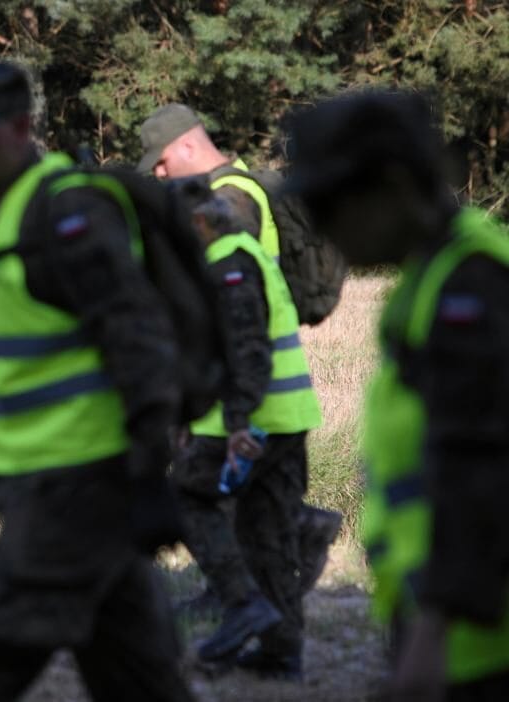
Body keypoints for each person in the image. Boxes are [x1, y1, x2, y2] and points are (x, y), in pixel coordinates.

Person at [0, 60, 192, 702]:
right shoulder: (6, 216)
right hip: (48, 490)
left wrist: (150, 479)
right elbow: (17, 379)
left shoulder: (65, 215)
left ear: (21, 126)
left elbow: (139, 340)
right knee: (139, 680)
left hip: (75, 496)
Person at [286, 91, 509, 702]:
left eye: (330, 206)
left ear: (390, 186)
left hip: (477, 640)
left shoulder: (472, 287)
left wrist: (434, 631)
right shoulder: (434, 276)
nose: (324, 229)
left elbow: (482, 469)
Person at [138, 102, 344, 603]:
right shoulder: (230, 190)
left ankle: (246, 580)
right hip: (240, 364)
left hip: (243, 367)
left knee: (203, 481)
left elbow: (223, 285)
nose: (159, 173)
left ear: (188, 144)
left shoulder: (232, 197)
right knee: (233, 484)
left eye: (161, 161)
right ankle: (267, 561)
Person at [169, 181, 322, 679]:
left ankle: (241, 604)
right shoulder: (250, 252)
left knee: (188, 495)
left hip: (251, 420)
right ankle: (283, 653)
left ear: (199, 224)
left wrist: (236, 424)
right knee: (267, 532)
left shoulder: (229, 265)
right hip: (286, 418)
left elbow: (248, 350)